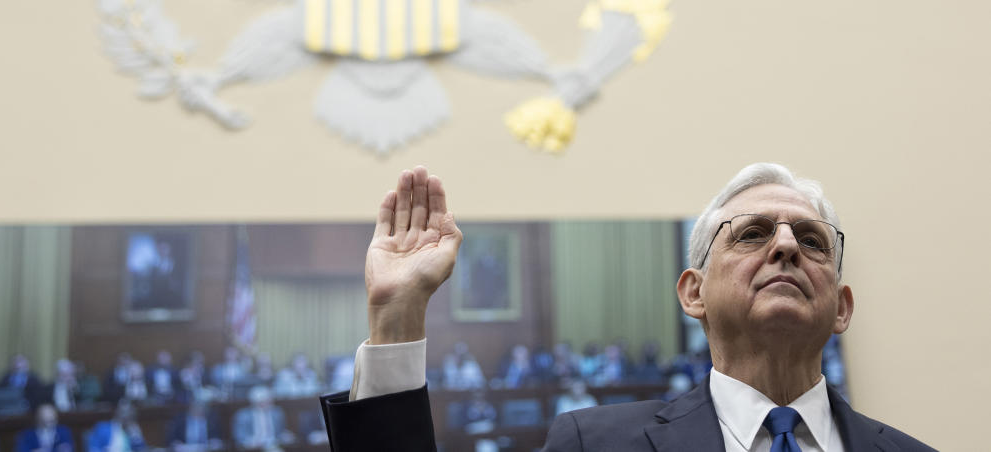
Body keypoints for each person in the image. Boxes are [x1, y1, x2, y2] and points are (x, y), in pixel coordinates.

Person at [318, 164, 937, 451]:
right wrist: (397, 319)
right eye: (752, 234)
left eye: (810, 241)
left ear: (842, 307)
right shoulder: (594, 444)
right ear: (692, 292)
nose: (784, 246)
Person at [232, 385, 293, 450]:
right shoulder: (243, 415)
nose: (269, 402)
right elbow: (239, 436)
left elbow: (281, 431)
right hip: (251, 447)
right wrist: (251, 442)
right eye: (265, 400)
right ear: (256, 402)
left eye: (269, 400)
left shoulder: (277, 413)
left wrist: (285, 436)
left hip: (272, 445)